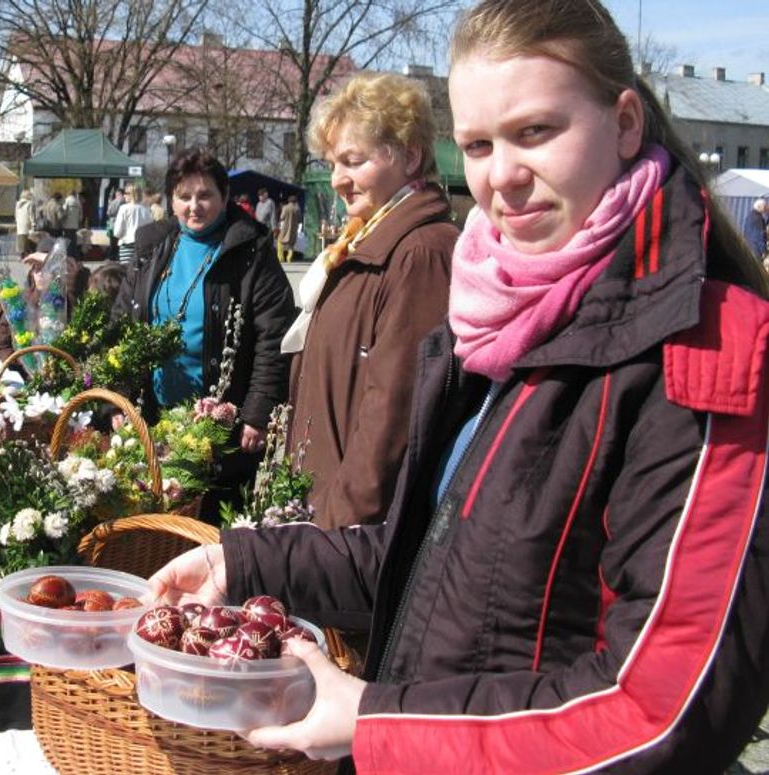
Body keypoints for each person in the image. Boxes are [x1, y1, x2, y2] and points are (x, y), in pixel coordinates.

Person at [149, 1, 769, 771]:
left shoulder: (704, 350)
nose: (502, 176)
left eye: (537, 131)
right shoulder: (501, 315)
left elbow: (665, 709)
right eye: (478, 143)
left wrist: (380, 723)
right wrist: (245, 562)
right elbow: (438, 560)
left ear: (627, 123)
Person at [284, 72, 458, 529]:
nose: (338, 180)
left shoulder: (420, 252)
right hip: (318, 511)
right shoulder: (362, 242)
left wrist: (337, 529)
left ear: (409, 156)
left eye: (353, 161)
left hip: (351, 533)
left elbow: (395, 412)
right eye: (332, 163)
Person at [112, 146, 295, 461]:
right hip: (152, 419)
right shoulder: (151, 246)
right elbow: (121, 324)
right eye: (184, 196)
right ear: (172, 199)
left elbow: (274, 336)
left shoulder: (253, 250)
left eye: (205, 195)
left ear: (225, 197)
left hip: (221, 425)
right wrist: (119, 400)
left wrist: (258, 411)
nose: (193, 207)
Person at [111, 183, 153, 263]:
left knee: (126, 271)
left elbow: (117, 232)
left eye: (126, 193)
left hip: (127, 245)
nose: (124, 195)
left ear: (132, 194)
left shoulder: (124, 209)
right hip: (143, 246)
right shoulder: (147, 209)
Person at [276, 194, 300, 262]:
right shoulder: (297, 209)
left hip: (285, 227)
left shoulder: (285, 207)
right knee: (291, 244)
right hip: (294, 228)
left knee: (280, 242)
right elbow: (299, 219)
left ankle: (280, 258)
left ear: (289, 201)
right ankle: (289, 258)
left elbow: (282, 217)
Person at [15, 190, 35, 256]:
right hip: (27, 226)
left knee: (22, 243)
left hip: (20, 226)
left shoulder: (18, 204)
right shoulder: (30, 203)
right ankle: (28, 256)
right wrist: (33, 225)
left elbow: (16, 215)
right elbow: (31, 215)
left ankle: (22, 255)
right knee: (29, 243)